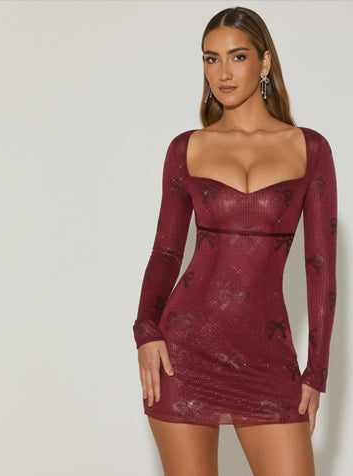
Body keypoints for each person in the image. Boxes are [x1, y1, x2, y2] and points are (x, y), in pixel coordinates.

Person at [133, 6, 337, 476]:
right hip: (183, 354)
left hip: (267, 359)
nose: (223, 72)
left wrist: (316, 372)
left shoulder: (310, 149)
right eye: (211, 59)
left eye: (237, 57)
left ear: (264, 62)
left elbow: (321, 266)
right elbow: (166, 253)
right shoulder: (187, 148)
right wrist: (146, 331)